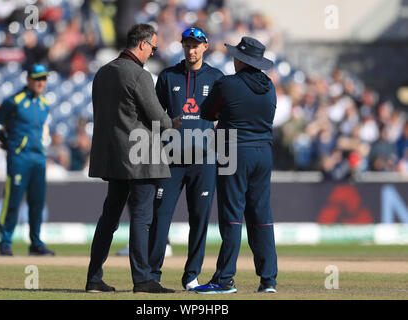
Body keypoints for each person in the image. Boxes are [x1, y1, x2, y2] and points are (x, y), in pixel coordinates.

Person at [85, 23, 182, 294]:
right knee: (142, 217)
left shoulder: (103, 72)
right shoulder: (139, 75)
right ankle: (143, 280)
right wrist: (172, 122)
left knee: (109, 218)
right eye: (153, 46)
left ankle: (94, 278)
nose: (153, 52)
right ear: (142, 44)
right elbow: (156, 117)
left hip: (113, 157)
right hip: (141, 157)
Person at [194, 37, 278, 294]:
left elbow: (206, 113)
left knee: (232, 215)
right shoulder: (270, 86)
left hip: (233, 149)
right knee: (261, 216)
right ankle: (268, 280)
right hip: (263, 152)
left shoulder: (228, 84)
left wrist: (227, 115)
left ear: (241, 60)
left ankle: (225, 278)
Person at [148, 27, 223, 291]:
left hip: (203, 161)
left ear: (205, 47)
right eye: (187, 45)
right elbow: (155, 116)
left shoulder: (216, 77)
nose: (191, 50)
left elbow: (225, 115)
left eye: (196, 45)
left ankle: (191, 276)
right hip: (171, 160)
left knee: (200, 219)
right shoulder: (168, 76)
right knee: (160, 216)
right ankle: (151, 275)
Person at [0, 64, 55, 256]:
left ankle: (35, 243)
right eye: (37, 78)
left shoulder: (44, 104)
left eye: (43, 79)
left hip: (39, 158)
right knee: (13, 200)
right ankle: (5, 241)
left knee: (37, 203)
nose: (41, 82)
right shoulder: (14, 101)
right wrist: (9, 144)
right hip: (19, 158)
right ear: (28, 79)